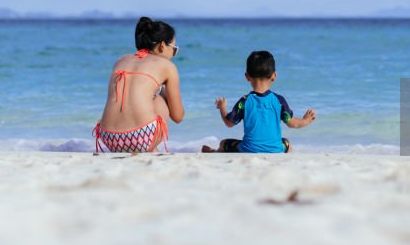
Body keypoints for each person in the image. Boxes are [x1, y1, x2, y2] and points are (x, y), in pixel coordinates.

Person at [93, 16, 184, 153]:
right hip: (141, 138)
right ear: (162, 46)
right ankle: (150, 148)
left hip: (109, 138)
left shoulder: (121, 60)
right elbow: (178, 117)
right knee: (159, 99)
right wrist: (165, 94)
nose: (173, 53)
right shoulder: (167, 66)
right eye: (174, 49)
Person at [202, 50, 315, 153]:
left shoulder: (245, 101)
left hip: (248, 149)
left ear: (247, 76)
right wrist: (306, 120)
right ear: (274, 76)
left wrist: (222, 108)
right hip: (275, 149)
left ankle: (216, 151)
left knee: (223, 143)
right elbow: (292, 123)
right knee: (287, 144)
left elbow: (229, 123)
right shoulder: (279, 100)